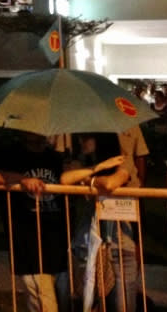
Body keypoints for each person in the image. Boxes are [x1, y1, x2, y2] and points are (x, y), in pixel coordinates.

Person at [0, 132, 68, 311]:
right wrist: (20, 180)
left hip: (57, 244)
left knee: (63, 302)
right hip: (28, 243)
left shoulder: (54, 158)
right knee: (45, 304)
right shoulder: (8, 155)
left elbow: (66, 180)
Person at [61, 133, 138, 312]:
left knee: (122, 306)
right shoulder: (82, 163)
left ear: (102, 138)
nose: (81, 142)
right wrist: (98, 167)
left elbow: (111, 183)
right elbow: (65, 179)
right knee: (88, 304)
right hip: (89, 246)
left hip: (120, 246)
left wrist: (88, 181)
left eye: (86, 137)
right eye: (79, 137)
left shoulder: (122, 160)